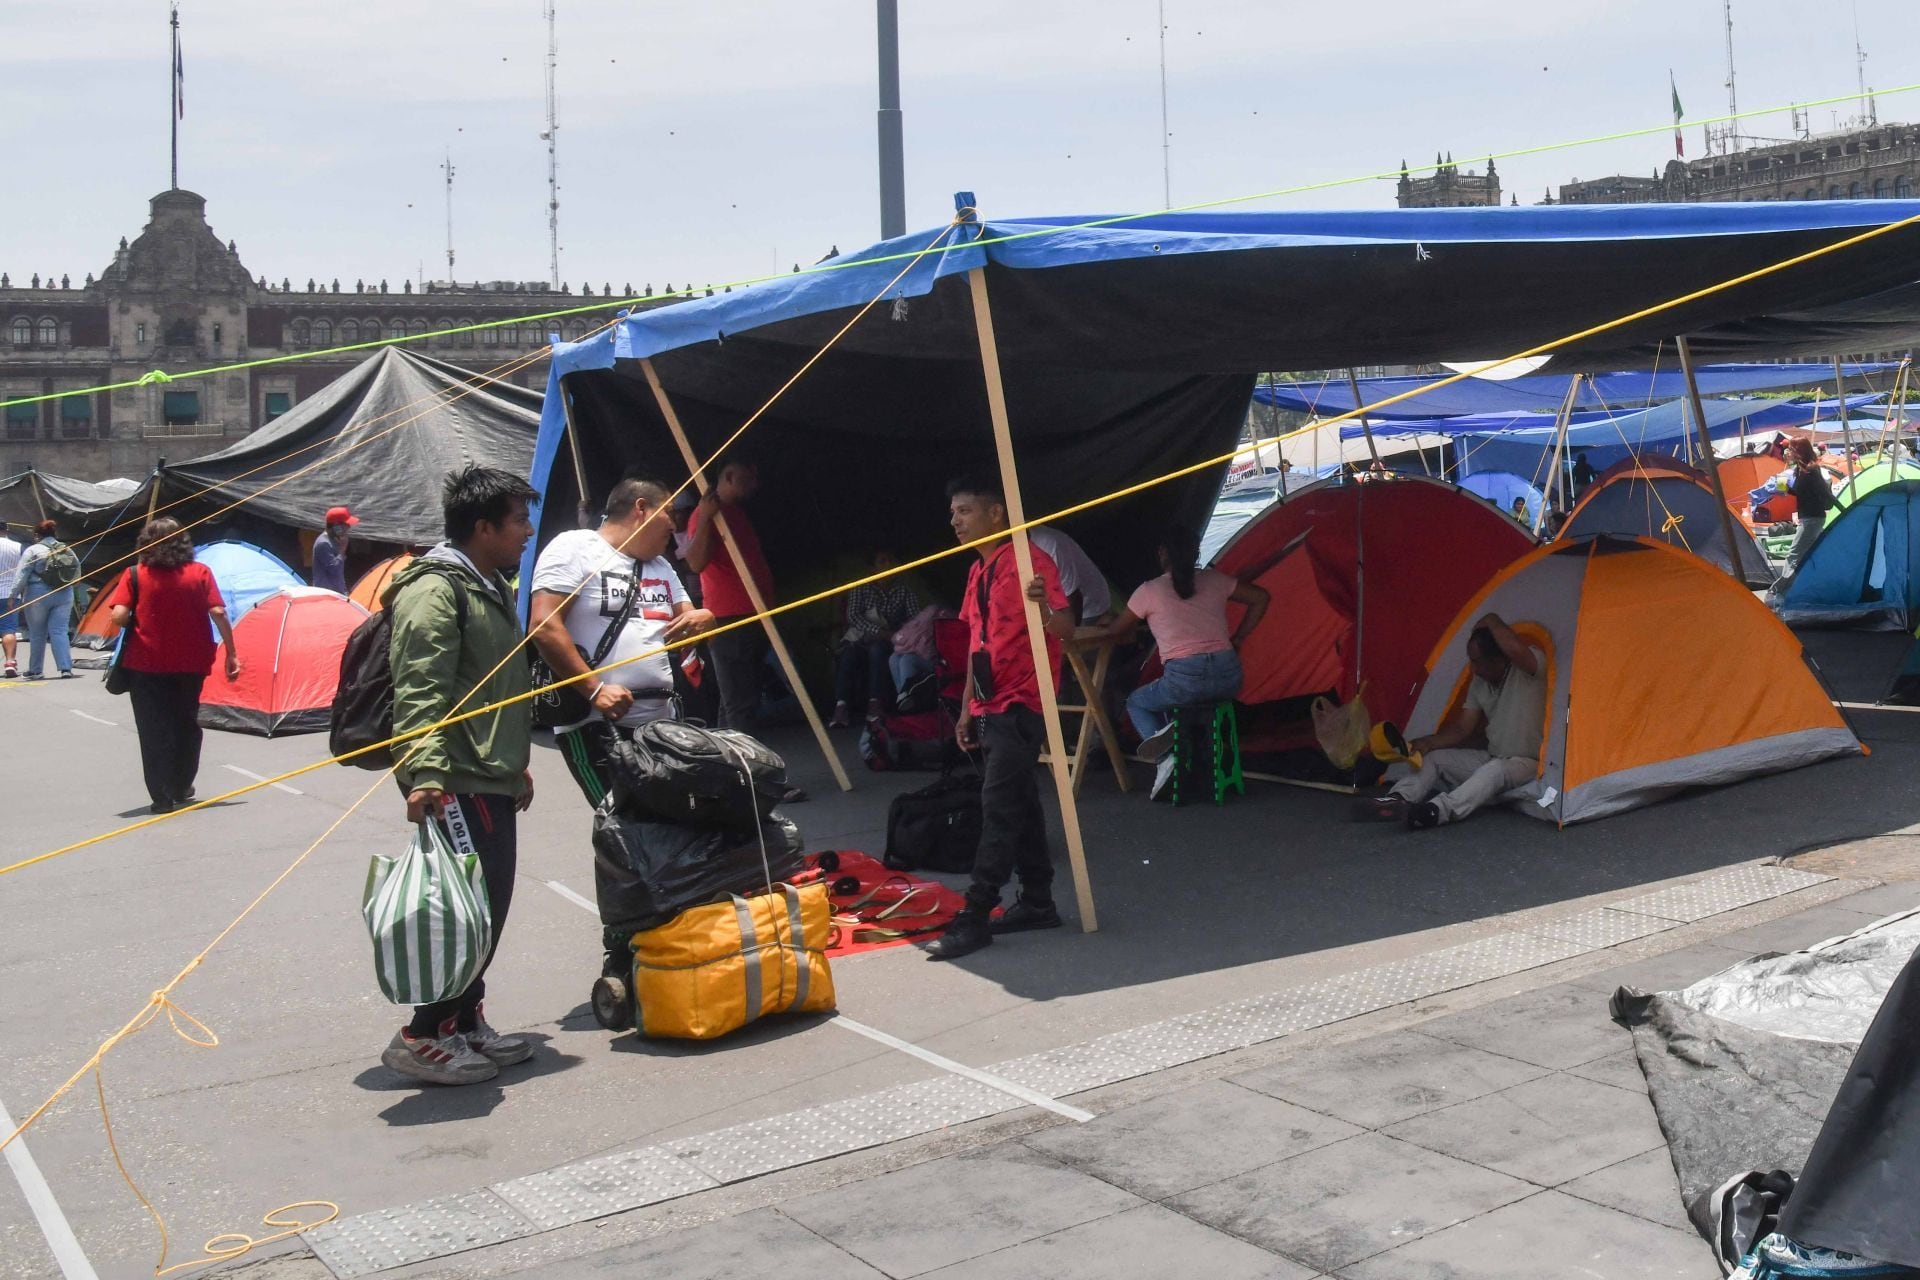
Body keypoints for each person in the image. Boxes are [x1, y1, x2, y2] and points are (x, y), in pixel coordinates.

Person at [379, 464, 540, 1087]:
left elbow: (493, 685)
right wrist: (425, 772)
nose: (528, 531)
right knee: (466, 911)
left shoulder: (484, 582)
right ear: (483, 528)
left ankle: (465, 1020)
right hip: (456, 778)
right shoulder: (437, 589)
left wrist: (515, 764)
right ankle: (422, 1034)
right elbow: (420, 689)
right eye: (519, 521)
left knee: (486, 907)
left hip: (490, 773)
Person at [925, 476, 1076, 962]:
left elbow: (1066, 627)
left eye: (964, 512)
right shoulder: (977, 572)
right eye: (953, 513)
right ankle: (1037, 899)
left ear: (996, 515)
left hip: (1024, 698)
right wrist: (968, 705)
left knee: (999, 804)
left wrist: (1045, 604)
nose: (955, 522)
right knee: (1019, 799)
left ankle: (977, 910)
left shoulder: (1031, 562)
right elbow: (976, 646)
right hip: (992, 700)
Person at [528, 477, 715, 806]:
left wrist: (705, 618)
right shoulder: (575, 548)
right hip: (595, 727)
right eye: (668, 512)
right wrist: (595, 690)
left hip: (661, 723)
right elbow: (544, 625)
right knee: (624, 828)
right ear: (641, 508)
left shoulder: (661, 565)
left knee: (671, 828)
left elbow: (689, 618)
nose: (674, 523)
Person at [1099, 528, 1270, 796]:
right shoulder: (1215, 579)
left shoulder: (1149, 591)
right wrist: (1238, 639)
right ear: (1196, 553)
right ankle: (1177, 742)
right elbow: (1261, 597)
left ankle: (1167, 757)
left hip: (1185, 681)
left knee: (1137, 702)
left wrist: (1106, 622)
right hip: (1229, 677)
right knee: (1172, 696)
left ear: (1162, 553)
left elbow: (1115, 631)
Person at [104, 518, 241, 813]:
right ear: (183, 542)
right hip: (191, 662)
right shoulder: (200, 572)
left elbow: (117, 617)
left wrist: (138, 619)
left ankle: (161, 796)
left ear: (146, 543)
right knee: (186, 723)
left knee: (152, 729)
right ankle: (182, 784)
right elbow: (217, 611)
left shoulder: (134, 574)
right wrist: (231, 652)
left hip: (146, 663)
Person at [1383, 613, 1546, 829]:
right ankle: (1399, 799)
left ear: (1498, 658)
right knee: (1436, 758)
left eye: (1477, 662)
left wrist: (1490, 619)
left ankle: (1438, 811)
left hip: (1527, 762)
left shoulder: (1529, 667)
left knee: (1495, 770)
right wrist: (1428, 743)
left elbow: (1515, 648)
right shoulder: (1479, 682)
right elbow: (1462, 728)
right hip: (1494, 756)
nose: (1473, 669)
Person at [684, 457, 774, 731]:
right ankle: (743, 765)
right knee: (740, 701)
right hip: (730, 618)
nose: (754, 486)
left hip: (752, 613)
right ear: (729, 477)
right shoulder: (708, 514)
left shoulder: (734, 512)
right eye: (747, 479)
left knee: (739, 698)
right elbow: (696, 562)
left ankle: (731, 764)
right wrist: (706, 518)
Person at [831, 550, 920, 727]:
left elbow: (915, 619)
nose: (887, 565)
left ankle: (875, 704)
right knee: (848, 655)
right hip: (859, 638)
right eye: (882, 561)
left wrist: (893, 634)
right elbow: (853, 616)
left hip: (889, 641)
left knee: (878, 650)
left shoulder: (904, 591)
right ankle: (841, 708)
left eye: (890, 561)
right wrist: (876, 630)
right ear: (872, 568)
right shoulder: (861, 587)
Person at [14, 519, 77, 679]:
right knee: (59, 631)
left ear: (37, 535)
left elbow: (22, 574)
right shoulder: (66, 549)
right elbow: (76, 571)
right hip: (64, 593)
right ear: (54, 534)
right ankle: (65, 668)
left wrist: (13, 595)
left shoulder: (33, 550)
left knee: (37, 633)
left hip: (37, 594)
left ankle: (36, 670)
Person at [1775, 438, 1835, 592]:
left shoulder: (1811, 469)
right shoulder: (1801, 469)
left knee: (1794, 553)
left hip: (1812, 517)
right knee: (1811, 552)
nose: (1789, 452)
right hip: (1809, 516)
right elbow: (1799, 491)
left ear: (1799, 450)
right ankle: (1819, 583)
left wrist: (1843, 509)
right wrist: (1783, 486)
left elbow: (1823, 491)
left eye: (1792, 449)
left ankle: (1782, 590)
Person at [1028, 525, 1113, 624]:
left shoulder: (1048, 545)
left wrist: (1071, 635)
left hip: (1087, 608)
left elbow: (1074, 600)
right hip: (1052, 606)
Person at [312, 505, 357, 593]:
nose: (348, 527)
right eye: (346, 524)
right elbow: (334, 570)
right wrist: (342, 549)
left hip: (337, 590)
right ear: (337, 526)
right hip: (327, 593)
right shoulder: (323, 543)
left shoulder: (334, 540)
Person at [0, 524, 21, 677]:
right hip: (10, 594)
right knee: (8, 629)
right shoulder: (17, 547)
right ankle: (10, 662)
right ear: (6, 530)